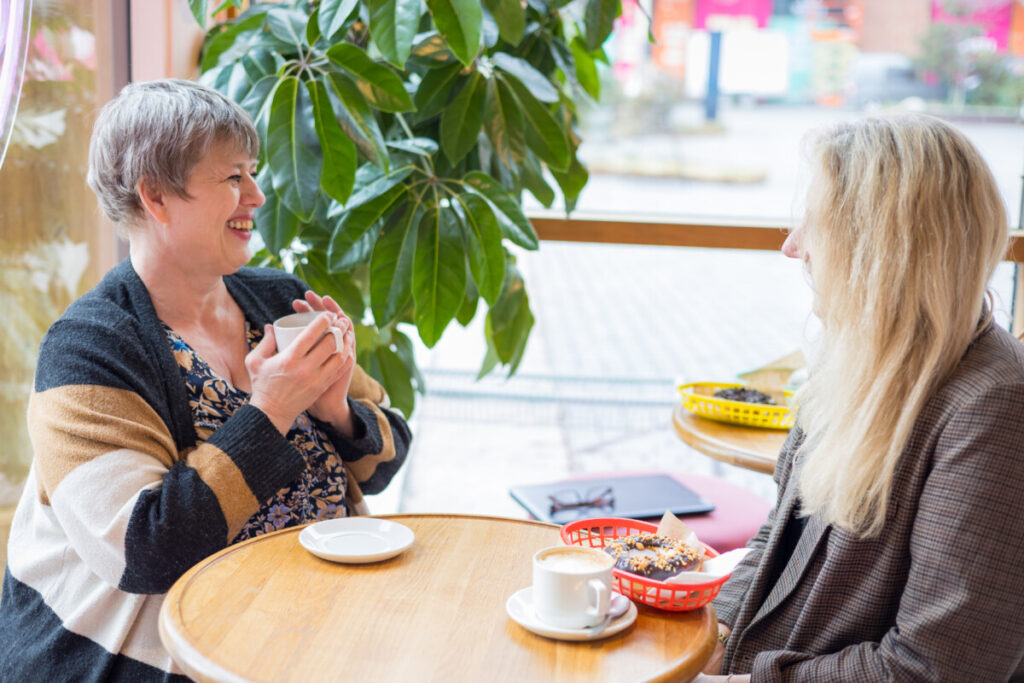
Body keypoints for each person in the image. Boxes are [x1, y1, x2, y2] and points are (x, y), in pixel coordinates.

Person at [0, 79, 411, 681]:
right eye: (233, 178)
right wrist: (269, 410)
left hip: (310, 636)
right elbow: (145, 550)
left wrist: (336, 412)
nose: (260, 195)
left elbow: (385, 463)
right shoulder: (89, 351)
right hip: (138, 662)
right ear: (157, 195)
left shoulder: (280, 300)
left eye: (252, 171)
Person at [697, 114, 1024, 682]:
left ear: (884, 251)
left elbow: (934, 670)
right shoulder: (859, 360)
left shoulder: (994, 410)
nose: (792, 246)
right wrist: (709, 639)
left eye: (816, 224)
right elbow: (781, 533)